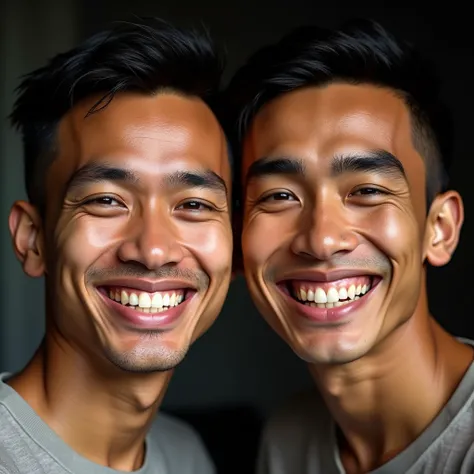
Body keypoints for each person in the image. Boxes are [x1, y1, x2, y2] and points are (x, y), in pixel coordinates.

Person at [224, 18, 474, 474]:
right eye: (280, 195)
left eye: (367, 191)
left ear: (438, 229)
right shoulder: (286, 441)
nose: (321, 239)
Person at [0, 18, 233, 474]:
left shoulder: (188, 456)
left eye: (193, 204)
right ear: (33, 240)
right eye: (106, 200)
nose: (153, 249)